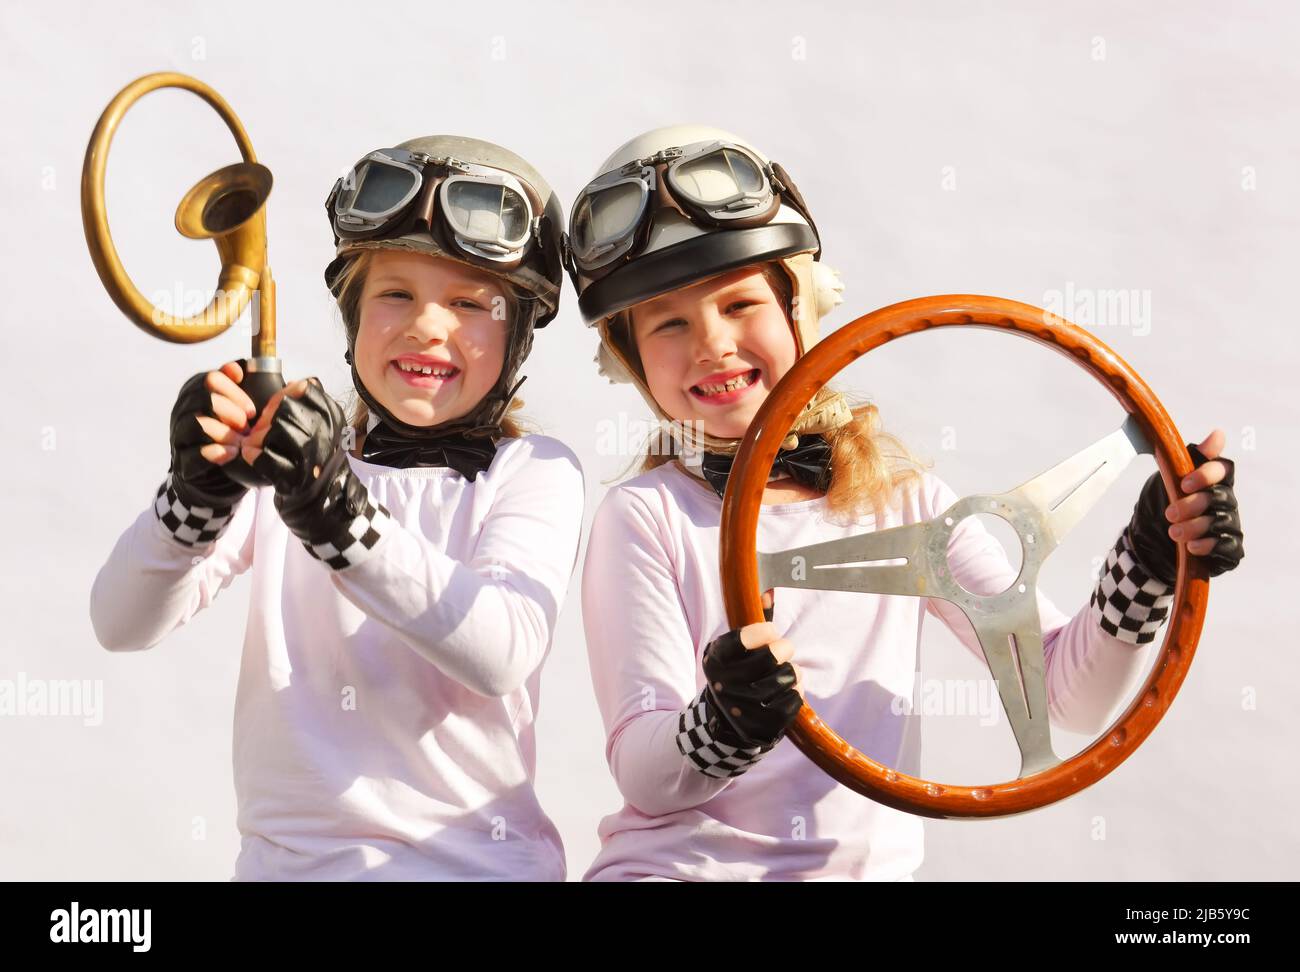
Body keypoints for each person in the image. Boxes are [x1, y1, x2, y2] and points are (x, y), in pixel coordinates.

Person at [568, 124, 1245, 881]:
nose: (711, 344)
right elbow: (645, 774)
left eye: (738, 304)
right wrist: (720, 725)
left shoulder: (906, 503)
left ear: (802, 306)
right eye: (669, 322)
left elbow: (1069, 698)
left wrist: (1151, 556)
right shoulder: (647, 516)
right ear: (629, 361)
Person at [89, 135, 584, 881]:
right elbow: (119, 624)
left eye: (469, 304)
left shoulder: (533, 470)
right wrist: (191, 498)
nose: (428, 326)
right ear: (352, 314)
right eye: (396, 294)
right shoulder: (290, 464)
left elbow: (500, 652)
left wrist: (337, 516)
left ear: (517, 336)